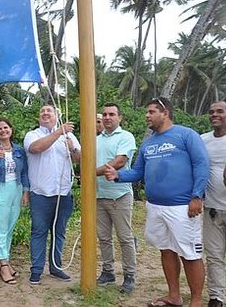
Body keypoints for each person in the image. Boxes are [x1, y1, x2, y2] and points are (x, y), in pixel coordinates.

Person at [104, 97, 209, 307]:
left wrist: (197, 196)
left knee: (189, 253)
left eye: (151, 112)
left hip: (182, 207)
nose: (147, 116)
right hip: (155, 207)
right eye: (147, 112)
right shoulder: (149, 142)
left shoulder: (186, 135)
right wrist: (117, 175)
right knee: (166, 250)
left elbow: (201, 164)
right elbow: (138, 171)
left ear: (165, 113)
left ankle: (196, 301)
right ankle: (174, 296)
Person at [23, 104, 81, 285]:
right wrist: (58, 133)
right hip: (41, 193)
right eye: (42, 111)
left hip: (63, 192)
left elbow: (80, 159)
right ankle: (36, 270)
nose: (45, 113)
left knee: (59, 232)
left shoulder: (69, 136)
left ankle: (56, 267)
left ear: (57, 115)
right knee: (39, 232)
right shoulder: (32, 135)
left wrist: (73, 148)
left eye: (49, 111)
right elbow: (36, 148)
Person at [94, 103, 137, 293]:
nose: (107, 117)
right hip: (99, 196)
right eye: (104, 114)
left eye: (112, 114)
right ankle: (108, 272)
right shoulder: (96, 139)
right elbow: (84, 159)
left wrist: (91, 173)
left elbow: (120, 162)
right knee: (104, 238)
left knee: (125, 238)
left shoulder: (126, 137)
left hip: (119, 195)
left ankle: (129, 276)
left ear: (119, 118)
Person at [0, 118, 29, 284]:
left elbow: (24, 173)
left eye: (6, 127)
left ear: (11, 129)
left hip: (15, 189)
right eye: (0, 128)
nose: (3, 130)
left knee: (9, 226)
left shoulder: (19, 150)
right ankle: (3, 263)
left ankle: (5, 259)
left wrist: (25, 192)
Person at [201, 101, 226, 307]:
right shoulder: (203, 140)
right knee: (214, 255)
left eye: (220, 111)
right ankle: (216, 297)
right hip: (212, 208)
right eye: (211, 112)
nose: (214, 115)